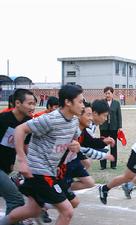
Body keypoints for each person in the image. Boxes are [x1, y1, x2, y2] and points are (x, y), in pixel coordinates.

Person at [0, 84, 84, 225]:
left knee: (32, 210)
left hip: (50, 172)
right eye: (80, 101)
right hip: (39, 171)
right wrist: (22, 160)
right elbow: (20, 129)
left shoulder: (74, 121)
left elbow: (72, 142)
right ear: (68, 102)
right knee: (67, 211)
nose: (83, 105)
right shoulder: (50, 119)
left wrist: (76, 145)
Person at [0, 89, 36, 225]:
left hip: (5, 167)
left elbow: (25, 146)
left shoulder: (28, 122)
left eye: (34, 104)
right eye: (30, 103)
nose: (33, 107)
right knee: (16, 199)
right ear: (18, 103)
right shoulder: (3, 119)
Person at [100, 87, 122, 170]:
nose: (107, 95)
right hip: (104, 127)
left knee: (113, 146)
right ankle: (103, 165)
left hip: (114, 128)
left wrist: (120, 127)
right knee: (103, 146)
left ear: (112, 94)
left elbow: (119, 116)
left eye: (109, 93)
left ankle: (113, 164)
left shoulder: (116, 103)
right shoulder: (102, 103)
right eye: (106, 93)